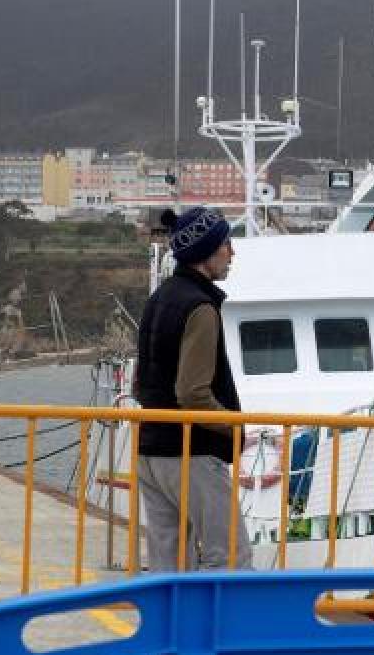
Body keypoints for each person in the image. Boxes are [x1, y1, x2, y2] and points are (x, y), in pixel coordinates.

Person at [134, 206, 252, 571]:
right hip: (191, 452)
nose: (232, 252)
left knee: (168, 565)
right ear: (206, 252)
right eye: (226, 244)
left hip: (151, 451)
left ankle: (168, 629)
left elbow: (140, 383)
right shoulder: (200, 307)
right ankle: (227, 630)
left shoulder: (159, 298)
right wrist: (234, 426)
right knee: (229, 558)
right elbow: (192, 393)